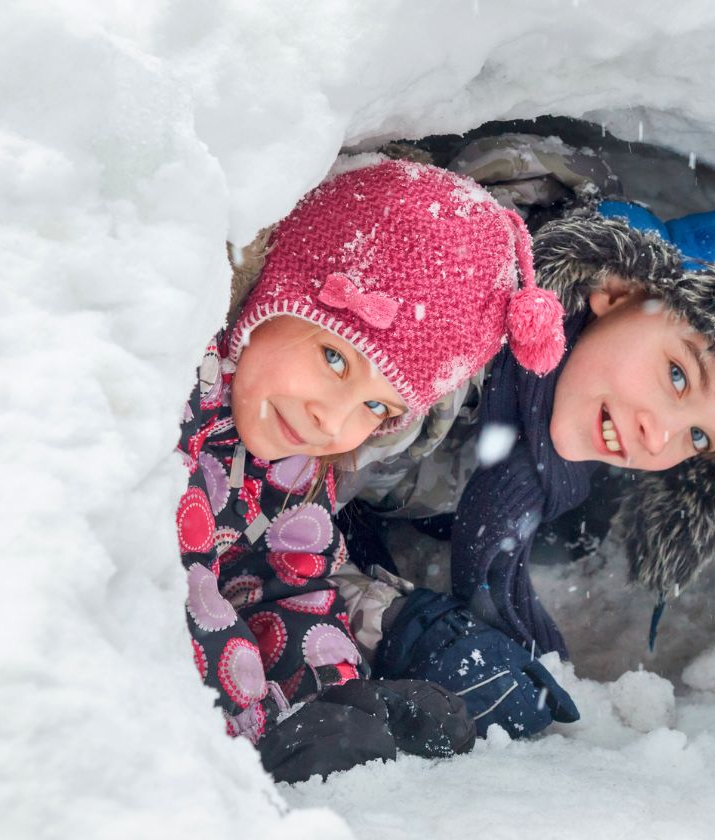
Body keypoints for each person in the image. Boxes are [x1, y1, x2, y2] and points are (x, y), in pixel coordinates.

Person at [330, 139, 715, 737]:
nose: (658, 434)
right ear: (618, 288)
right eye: (678, 375)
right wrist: (396, 622)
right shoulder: (443, 323)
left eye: (698, 437)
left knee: (574, 533)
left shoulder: (549, 440)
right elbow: (241, 504)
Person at [174, 159, 566, 782]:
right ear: (277, 287)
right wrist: (260, 728)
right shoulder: (172, 391)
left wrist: (337, 699)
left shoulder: (296, 454)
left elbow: (287, 585)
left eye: (377, 406)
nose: (333, 420)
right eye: (334, 357)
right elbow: (168, 600)